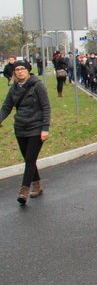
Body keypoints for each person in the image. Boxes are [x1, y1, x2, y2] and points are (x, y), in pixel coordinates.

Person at [0, 60, 51, 205]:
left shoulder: (37, 86)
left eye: (22, 69)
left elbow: (46, 107)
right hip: (20, 128)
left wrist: (45, 128)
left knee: (30, 159)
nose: (19, 72)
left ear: (28, 70)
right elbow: (6, 107)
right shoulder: (14, 88)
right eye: (17, 70)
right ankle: (37, 184)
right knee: (29, 159)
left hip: (36, 127)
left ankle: (24, 190)